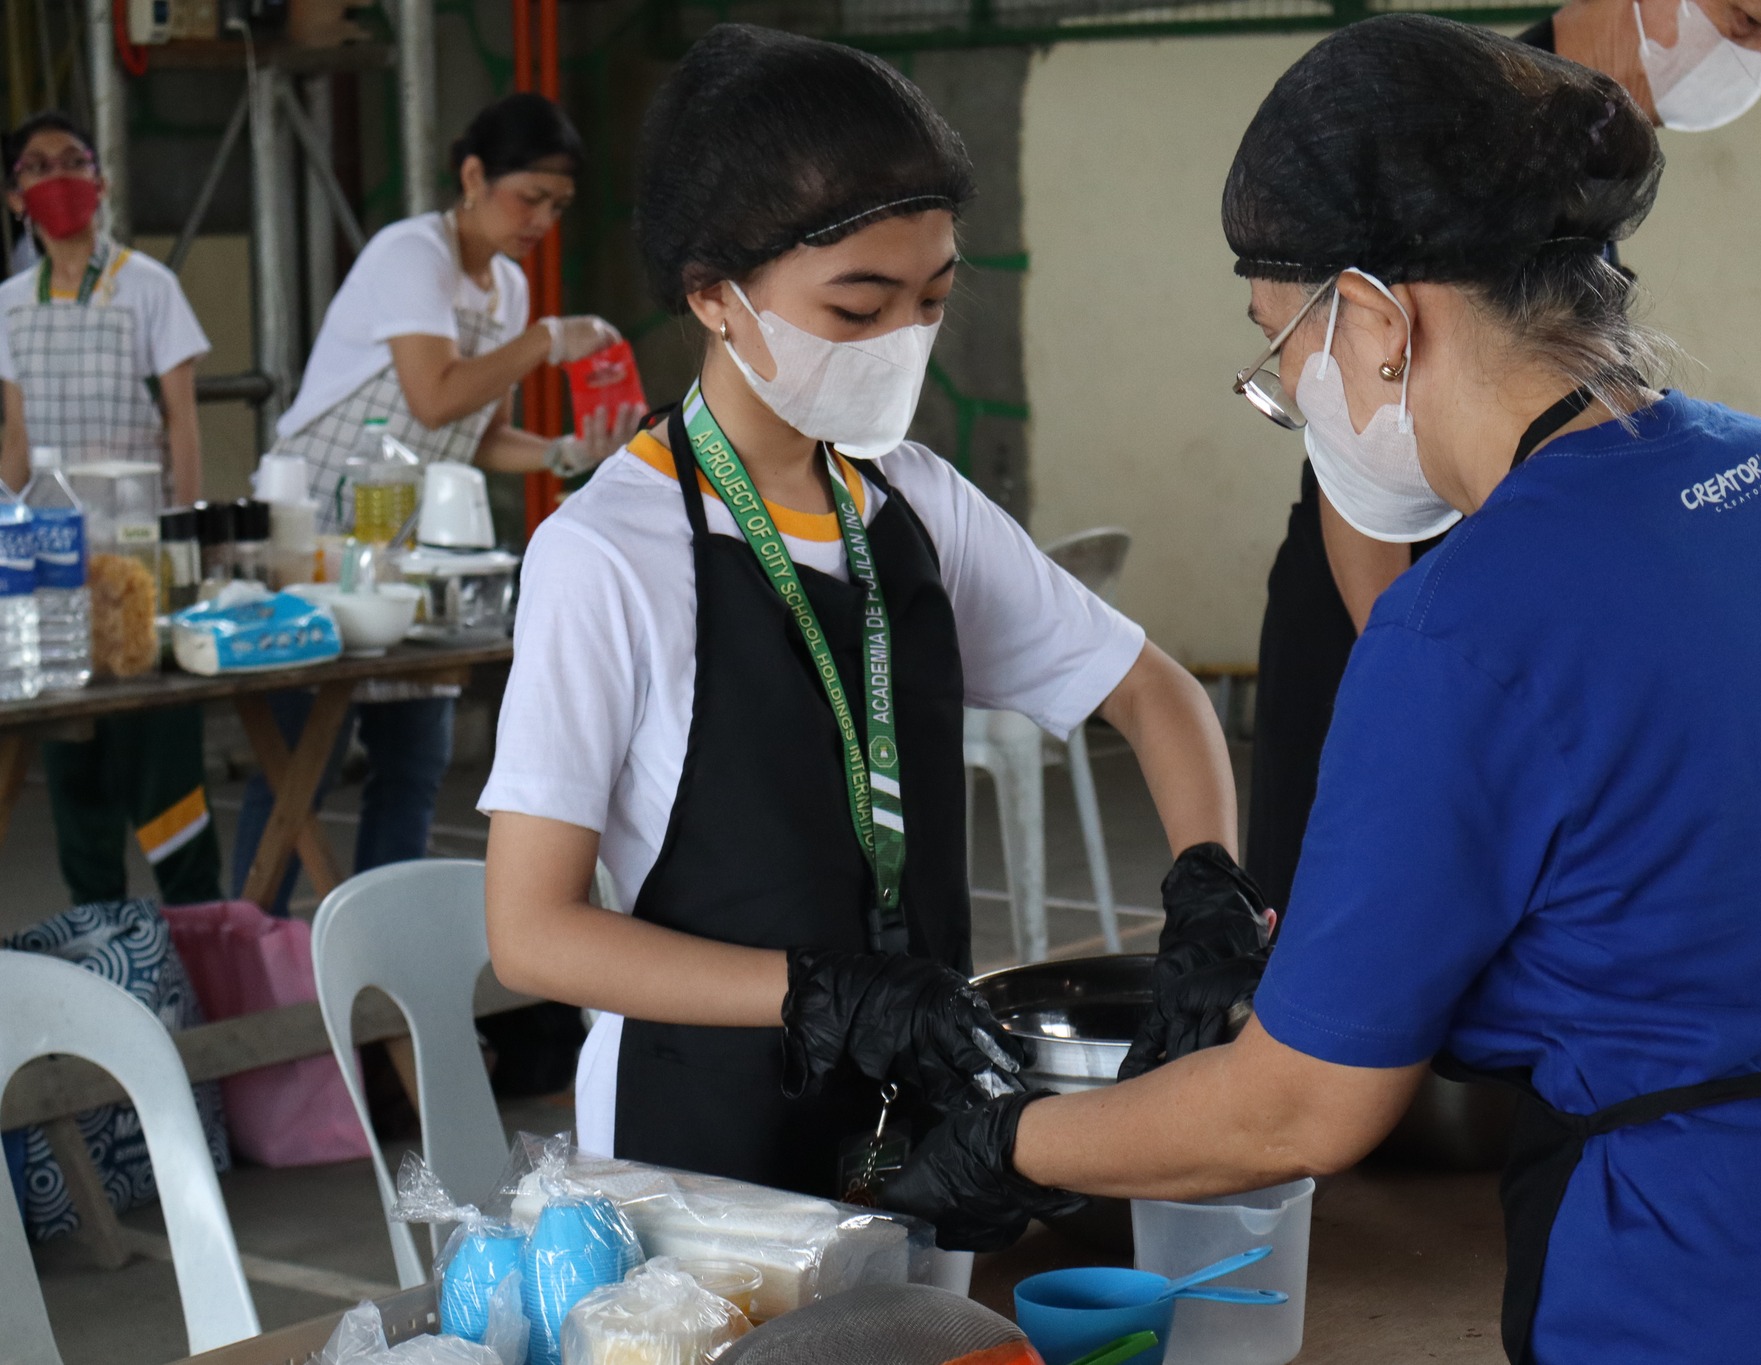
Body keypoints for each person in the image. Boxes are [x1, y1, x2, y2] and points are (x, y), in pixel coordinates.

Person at [889, 19, 1761, 1364]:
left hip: (1719, 1276)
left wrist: (1009, 1137)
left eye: (1283, 346)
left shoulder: (1463, 625)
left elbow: (1298, 1107)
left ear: (1382, 319)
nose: (1294, 394)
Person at [478, 25, 1254, 1198]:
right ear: (714, 293)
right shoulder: (606, 554)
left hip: (928, 1123)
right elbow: (532, 934)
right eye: (856, 308)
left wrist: (1208, 890)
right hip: (696, 1153)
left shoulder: (912, 504)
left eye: (930, 300)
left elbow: (1153, 694)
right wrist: (818, 992)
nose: (902, 342)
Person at [1246, 0, 1761, 914]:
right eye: (1747, 19)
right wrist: (1404, 676)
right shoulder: (1459, 125)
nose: (1749, 62)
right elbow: (1355, 436)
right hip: (1391, 600)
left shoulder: (1581, 165)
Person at [231, 92, 637, 914]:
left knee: (413, 762)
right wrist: (546, 342)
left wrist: (565, 453)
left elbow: (476, 433)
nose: (541, 221)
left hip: (408, 543)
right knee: (300, 763)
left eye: (558, 207)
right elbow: (434, 396)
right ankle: (245, 942)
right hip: (316, 535)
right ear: (474, 175)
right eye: (530, 197)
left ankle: (384, 952)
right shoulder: (409, 253)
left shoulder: (509, 288)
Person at [0, 110, 221, 905]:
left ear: (102, 180)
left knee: (164, 767)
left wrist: (188, 536)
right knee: (77, 769)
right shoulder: (8, 303)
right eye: (37, 166)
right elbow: (17, 438)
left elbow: (183, 423)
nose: (57, 177)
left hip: (140, 553)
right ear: (16, 197)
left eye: (73, 160)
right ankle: (99, 941)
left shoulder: (149, 287)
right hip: (54, 564)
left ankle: (199, 931)